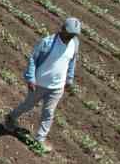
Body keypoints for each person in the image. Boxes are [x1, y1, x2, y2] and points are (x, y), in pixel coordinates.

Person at [5, 18, 80, 153]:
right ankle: (11, 117)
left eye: (74, 35)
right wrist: (31, 78)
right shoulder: (48, 42)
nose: (70, 37)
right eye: (69, 34)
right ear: (62, 29)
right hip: (40, 83)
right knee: (28, 105)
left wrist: (69, 80)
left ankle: (39, 139)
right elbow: (33, 59)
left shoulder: (74, 43)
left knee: (48, 113)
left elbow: (72, 62)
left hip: (57, 87)